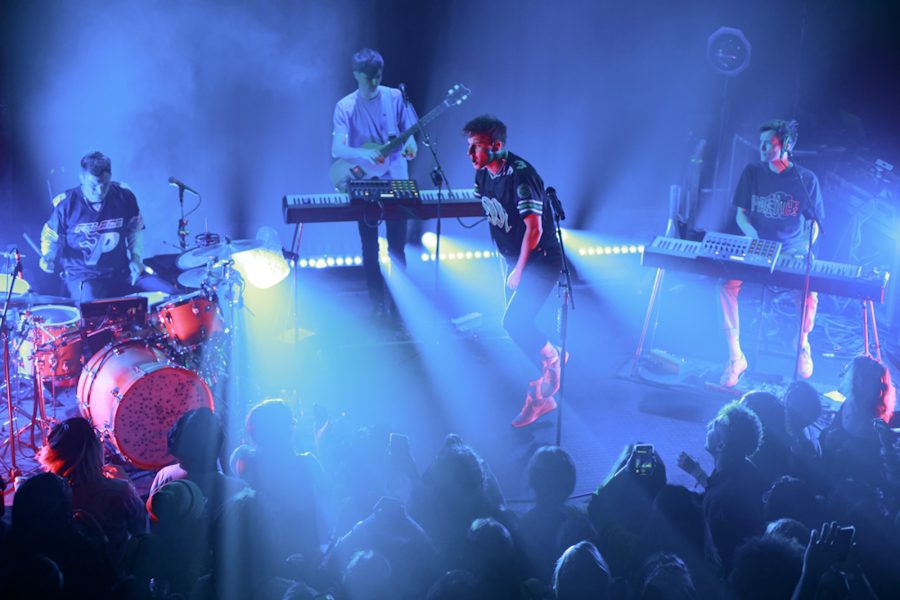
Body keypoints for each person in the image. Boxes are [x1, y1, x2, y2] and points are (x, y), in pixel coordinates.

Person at [462, 114, 565, 427]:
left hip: (540, 260)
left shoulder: (521, 176)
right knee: (518, 330)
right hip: (514, 261)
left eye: (476, 147)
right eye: (469, 146)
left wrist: (519, 270)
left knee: (514, 323)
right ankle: (541, 398)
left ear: (496, 146)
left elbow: (534, 230)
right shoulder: (483, 174)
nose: (470, 153)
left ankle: (554, 358)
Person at [719, 119, 825, 387]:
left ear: (786, 145)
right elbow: (741, 215)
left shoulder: (806, 179)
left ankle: (802, 343)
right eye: (761, 143)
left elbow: (814, 225)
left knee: (809, 289)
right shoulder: (752, 172)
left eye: (769, 144)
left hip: (792, 249)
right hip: (757, 245)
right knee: (726, 285)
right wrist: (752, 236)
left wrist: (805, 248)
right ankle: (735, 356)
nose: (762, 148)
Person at [332, 48, 418, 320]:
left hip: (396, 180)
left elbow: (409, 132)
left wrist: (411, 143)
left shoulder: (395, 97)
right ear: (356, 75)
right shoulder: (345, 106)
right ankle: (377, 305)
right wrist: (362, 153)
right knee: (369, 247)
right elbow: (337, 148)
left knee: (397, 247)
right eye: (368, 77)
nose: (374, 82)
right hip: (364, 181)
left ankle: (400, 307)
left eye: (378, 76)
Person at [39, 151, 145, 302]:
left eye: (105, 185)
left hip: (119, 271)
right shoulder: (65, 203)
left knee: (156, 300)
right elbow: (51, 236)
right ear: (81, 178)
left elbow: (135, 229)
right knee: (95, 309)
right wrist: (48, 255)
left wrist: (136, 257)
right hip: (82, 275)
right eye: (93, 185)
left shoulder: (124, 196)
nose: (100, 191)